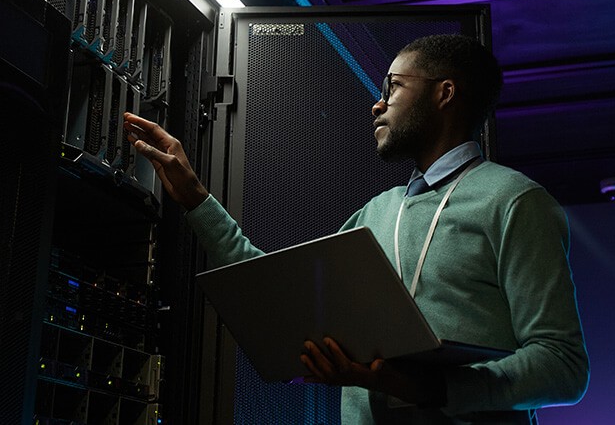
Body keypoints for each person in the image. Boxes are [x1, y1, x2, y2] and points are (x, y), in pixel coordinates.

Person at [124, 34, 589, 424]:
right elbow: (280, 296)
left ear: (444, 93)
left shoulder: (515, 202)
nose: (377, 103)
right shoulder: (378, 212)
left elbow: (563, 366)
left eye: (394, 86)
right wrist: (195, 200)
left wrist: (434, 388)